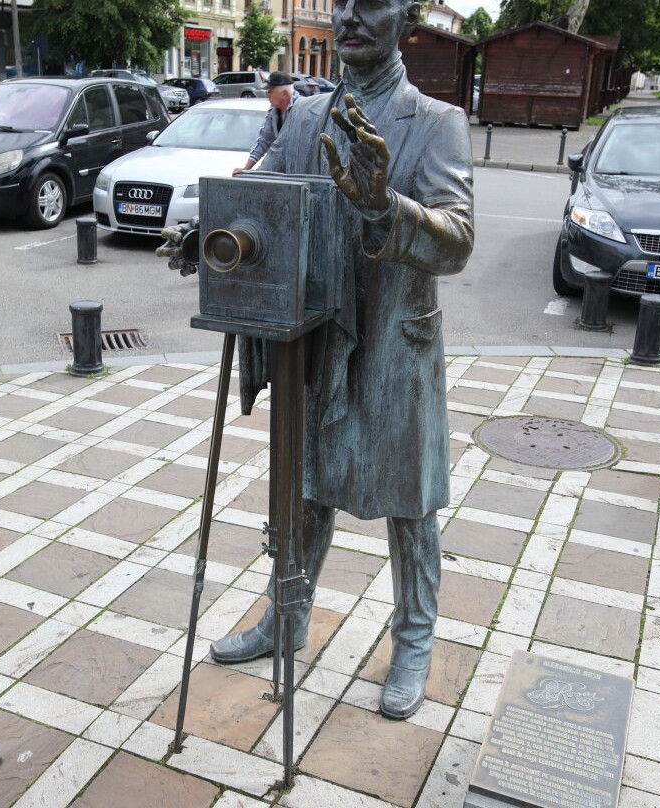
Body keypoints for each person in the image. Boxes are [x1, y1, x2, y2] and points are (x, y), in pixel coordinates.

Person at [159, 0, 473, 720]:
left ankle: (414, 640)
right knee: (301, 488)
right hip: (314, 336)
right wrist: (210, 236)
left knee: (409, 501)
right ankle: (286, 616)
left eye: (372, 4)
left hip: (393, 340)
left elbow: (456, 242)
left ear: (406, 19)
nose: (350, 17)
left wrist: (383, 204)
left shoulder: (437, 122)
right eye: (341, 4)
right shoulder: (302, 119)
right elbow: (259, 200)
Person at [232, 71, 298, 176]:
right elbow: (263, 140)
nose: (267, 95)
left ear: (284, 93)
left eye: (270, 91)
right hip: (282, 171)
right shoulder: (273, 111)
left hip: (299, 171)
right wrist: (246, 168)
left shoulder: (301, 108)